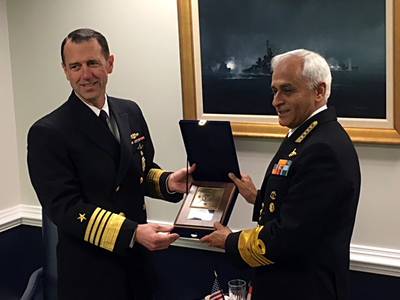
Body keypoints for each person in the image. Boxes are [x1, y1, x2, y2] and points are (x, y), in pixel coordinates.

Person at [27, 28, 193, 300]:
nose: (85, 75)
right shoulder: (49, 131)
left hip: (138, 266)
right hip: (90, 274)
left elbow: (138, 171)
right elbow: (65, 208)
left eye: (92, 63)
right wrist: (132, 232)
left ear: (110, 63)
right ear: (65, 71)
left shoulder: (129, 111)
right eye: (75, 66)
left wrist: (168, 182)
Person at [201, 49, 361, 300]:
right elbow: (301, 203)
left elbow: (291, 236)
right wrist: (258, 197)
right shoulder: (305, 134)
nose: (276, 101)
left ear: (319, 91)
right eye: (274, 91)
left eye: (287, 90)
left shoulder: (323, 148)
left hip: (304, 288)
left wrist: (231, 241)